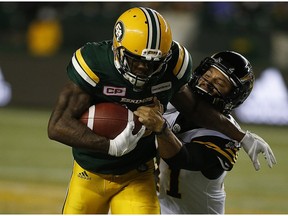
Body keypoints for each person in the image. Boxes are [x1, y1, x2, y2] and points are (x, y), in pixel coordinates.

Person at [47, 7, 274, 214]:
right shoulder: (96, 64)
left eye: (220, 84)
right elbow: (58, 125)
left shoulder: (221, 130)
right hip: (100, 175)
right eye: (208, 75)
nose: (145, 68)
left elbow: (183, 155)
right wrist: (110, 145)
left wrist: (241, 136)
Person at [134, 51, 277, 214]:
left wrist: (161, 129)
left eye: (220, 83)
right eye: (208, 74)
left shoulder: (225, 136)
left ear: (233, 96)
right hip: (157, 206)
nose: (207, 82)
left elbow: (183, 159)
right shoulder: (173, 100)